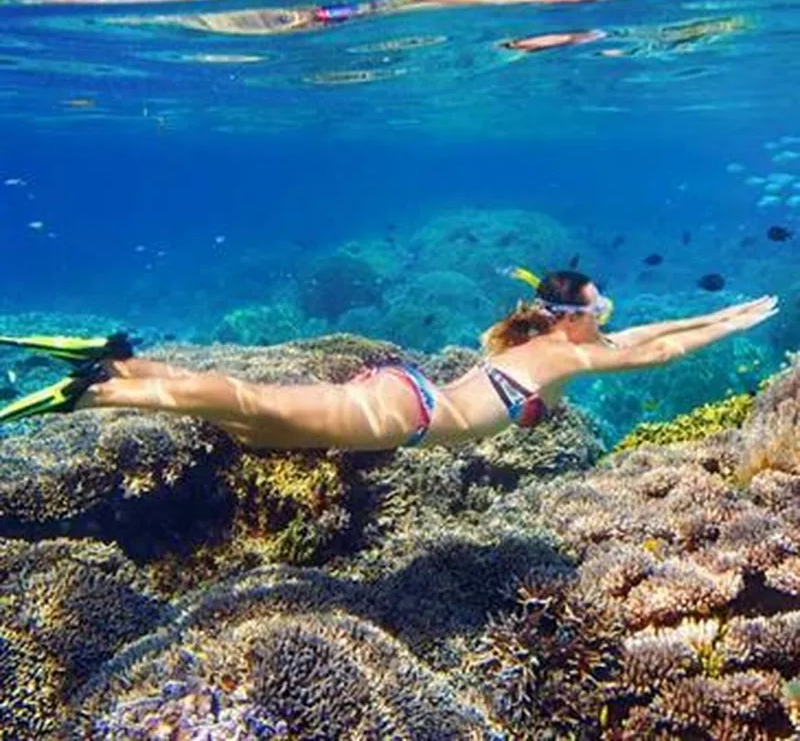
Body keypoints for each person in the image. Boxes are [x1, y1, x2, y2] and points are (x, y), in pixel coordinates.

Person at [0, 269, 778, 451]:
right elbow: (660, 351)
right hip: (409, 413)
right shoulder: (561, 361)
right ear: (574, 319)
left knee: (258, 421)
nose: (611, 320)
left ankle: (125, 365)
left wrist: (725, 310)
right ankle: (96, 390)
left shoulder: (547, 343)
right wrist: (727, 333)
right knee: (252, 404)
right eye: (601, 310)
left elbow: (656, 330)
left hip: (401, 396)